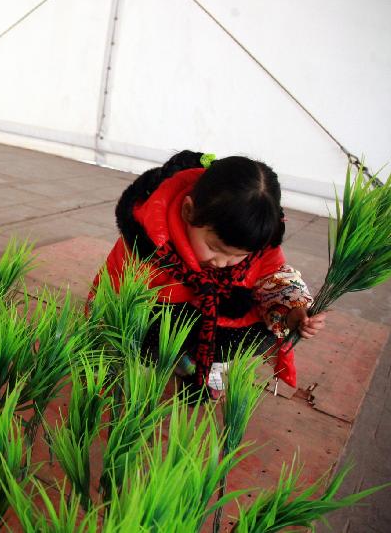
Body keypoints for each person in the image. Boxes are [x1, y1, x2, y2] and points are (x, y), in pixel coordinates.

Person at [90, 150, 326, 399]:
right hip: (159, 316)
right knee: (139, 329)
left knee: (265, 328)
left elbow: (274, 277)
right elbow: (110, 295)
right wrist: (103, 357)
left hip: (207, 318)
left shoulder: (257, 242)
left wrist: (294, 313)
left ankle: (196, 359)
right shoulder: (148, 240)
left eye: (238, 255)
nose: (224, 263)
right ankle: (171, 355)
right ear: (188, 211)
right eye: (214, 248)